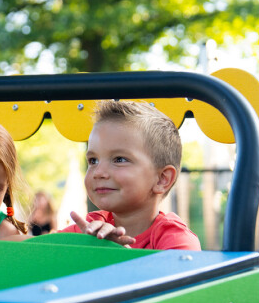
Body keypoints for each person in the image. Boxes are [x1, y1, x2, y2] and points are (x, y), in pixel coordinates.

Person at [56, 99, 201, 250]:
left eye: (119, 159)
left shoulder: (175, 240)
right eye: (93, 160)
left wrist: (119, 255)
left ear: (162, 179)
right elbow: (41, 253)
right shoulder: (88, 229)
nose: (98, 172)